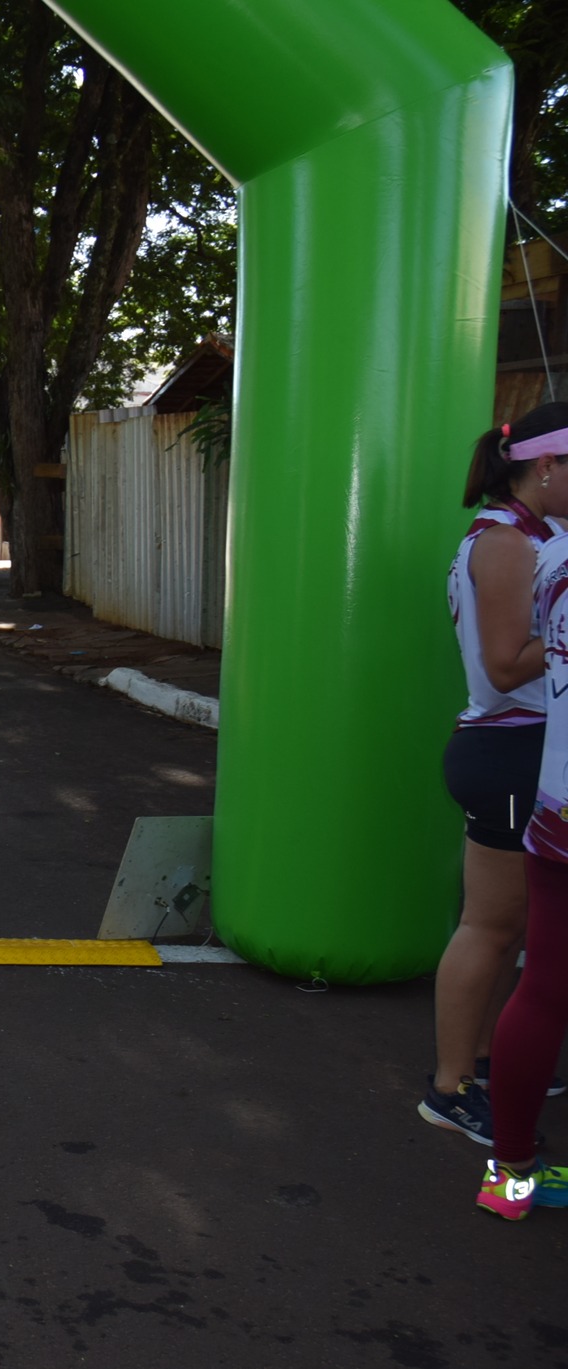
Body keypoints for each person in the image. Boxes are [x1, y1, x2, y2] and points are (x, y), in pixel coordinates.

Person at [428, 401, 568, 1147]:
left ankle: (491, 1059)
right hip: (509, 749)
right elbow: (510, 664)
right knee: (489, 925)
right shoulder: (508, 542)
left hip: (522, 748)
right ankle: (450, 1088)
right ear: (545, 468)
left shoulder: (535, 535)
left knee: (512, 925)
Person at [478, 404, 568, 1218]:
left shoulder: (553, 557)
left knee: (541, 984)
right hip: (518, 764)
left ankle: (510, 1178)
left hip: (556, 804)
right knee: (506, 948)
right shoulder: (515, 548)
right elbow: (506, 669)